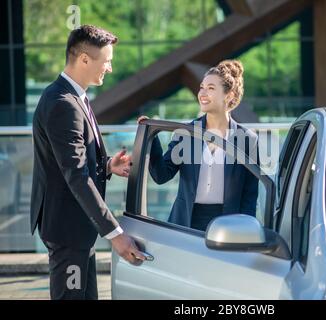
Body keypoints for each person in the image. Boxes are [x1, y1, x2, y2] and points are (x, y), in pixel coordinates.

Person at [31, 25, 145, 300]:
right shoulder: (63, 103)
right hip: (68, 231)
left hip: (78, 230)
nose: (110, 68)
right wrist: (116, 235)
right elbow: (76, 176)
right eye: (106, 61)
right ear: (84, 59)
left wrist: (106, 167)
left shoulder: (73, 97)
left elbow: (67, 164)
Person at [139, 60, 258, 231]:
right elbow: (161, 175)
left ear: (229, 95)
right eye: (202, 87)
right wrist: (152, 138)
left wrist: (246, 233)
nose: (202, 93)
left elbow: (250, 196)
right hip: (186, 223)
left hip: (229, 226)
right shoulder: (186, 133)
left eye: (210, 88)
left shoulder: (248, 140)